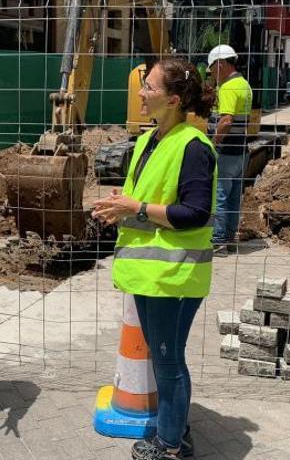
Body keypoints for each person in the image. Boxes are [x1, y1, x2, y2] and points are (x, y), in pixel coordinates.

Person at [92, 57, 217, 460]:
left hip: (175, 276)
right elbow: (140, 198)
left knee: (167, 361)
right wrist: (119, 209)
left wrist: (138, 208)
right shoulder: (149, 140)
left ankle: (170, 445)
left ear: (175, 99)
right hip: (151, 274)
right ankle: (175, 429)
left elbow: (196, 213)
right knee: (166, 358)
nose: (141, 93)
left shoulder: (194, 147)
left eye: (150, 87)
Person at [207, 44, 252, 255]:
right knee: (234, 196)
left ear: (221, 64)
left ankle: (218, 242)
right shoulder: (245, 85)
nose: (212, 75)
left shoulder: (228, 87)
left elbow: (225, 120)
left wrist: (214, 142)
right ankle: (230, 237)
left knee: (220, 195)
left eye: (212, 69)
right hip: (242, 150)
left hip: (226, 151)